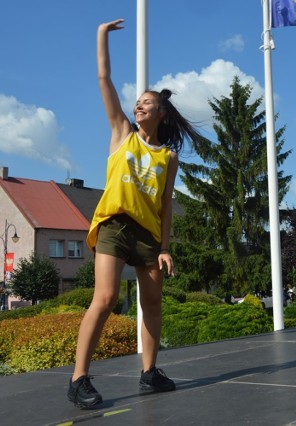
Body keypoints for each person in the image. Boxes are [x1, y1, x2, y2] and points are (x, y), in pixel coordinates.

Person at [68, 19, 204, 408]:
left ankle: (149, 372)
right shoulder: (121, 132)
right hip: (114, 224)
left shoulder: (169, 157)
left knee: (154, 303)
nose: (138, 104)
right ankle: (79, 379)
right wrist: (100, 34)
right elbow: (103, 77)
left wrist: (164, 247)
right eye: (138, 101)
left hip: (148, 236)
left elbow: (164, 206)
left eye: (147, 102)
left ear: (161, 113)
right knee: (107, 297)